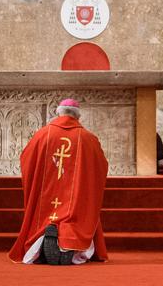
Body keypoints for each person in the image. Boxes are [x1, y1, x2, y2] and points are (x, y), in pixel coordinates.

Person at [10, 100, 108, 266]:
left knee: (46, 216)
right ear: (77, 115)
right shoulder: (88, 138)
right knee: (75, 214)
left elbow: (26, 159)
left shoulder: (42, 134)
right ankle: (71, 246)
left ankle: (42, 245)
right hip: (75, 195)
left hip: (47, 194)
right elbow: (101, 166)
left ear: (59, 113)